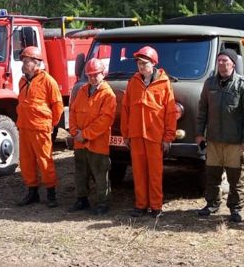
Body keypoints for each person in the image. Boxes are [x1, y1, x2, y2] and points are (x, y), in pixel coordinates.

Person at [195, 49, 244, 222]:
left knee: (236, 178)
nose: (222, 64)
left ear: (233, 63)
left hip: (235, 141)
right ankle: (212, 204)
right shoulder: (209, 84)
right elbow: (202, 111)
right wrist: (199, 134)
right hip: (213, 140)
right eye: (219, 61)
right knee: (212, 175)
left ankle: (235, 209)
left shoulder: (243, 84)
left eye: (225, 61)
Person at [121, 46, 177, 218]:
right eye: (138, 63)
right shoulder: (133, 82)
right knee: (138, 172)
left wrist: (168, 137)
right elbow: (125, 109)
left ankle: (156, 207)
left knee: (154, 173)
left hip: (155, 136)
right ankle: (140, 205)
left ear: (153, 64)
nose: (141, 66)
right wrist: (126, 134)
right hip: (137, 135)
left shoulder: (164, 83)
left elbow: (170, 112)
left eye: (144, 63)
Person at [15, 46, 64, 208]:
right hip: (24, 127)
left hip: (40, 128)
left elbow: (57, 106)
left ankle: (51, 194)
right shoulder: (22, 81)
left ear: (36, 63)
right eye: (23, 60)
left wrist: (50, 125)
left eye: (26, 61)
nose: (22, 63)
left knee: (45, 161)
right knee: (26, 161)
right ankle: (32, 192)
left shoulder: (48, 81)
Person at [68, 58, 117, 215]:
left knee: (100, 173)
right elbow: (73, 112)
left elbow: (105, 120)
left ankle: (102, 203)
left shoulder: (108, 95)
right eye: (90, 75)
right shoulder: (82, 91)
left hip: (97, 142)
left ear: (103, 74)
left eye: (96, 74)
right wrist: (75, 132)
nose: (93, 78)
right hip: (80, 142)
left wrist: (86, 134)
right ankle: (82, 199)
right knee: (80, 172)